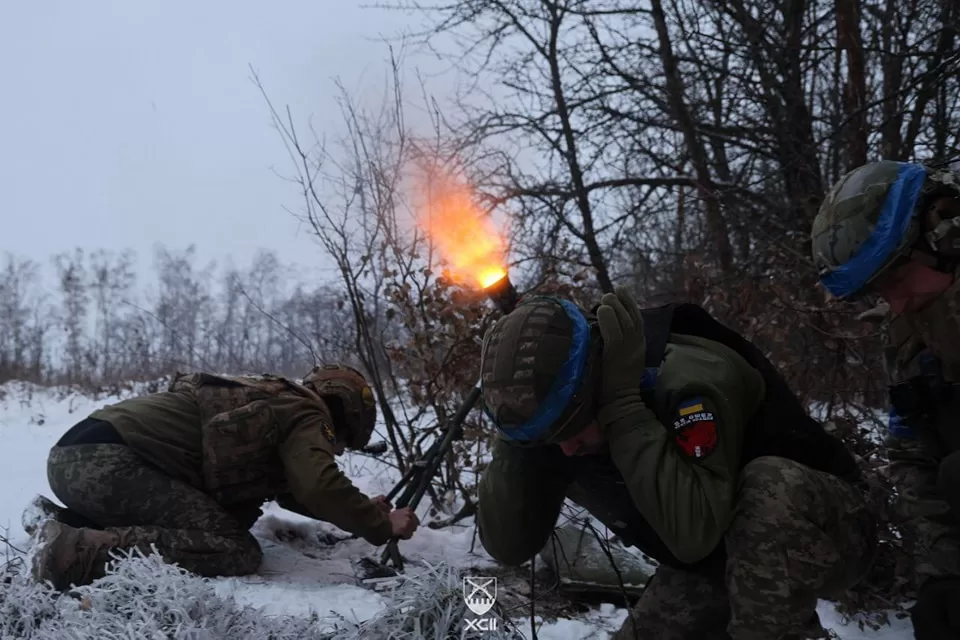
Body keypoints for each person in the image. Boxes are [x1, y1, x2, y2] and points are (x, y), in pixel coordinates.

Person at [475, 287, 877, 640]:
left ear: (596, 384)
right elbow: (509, 545)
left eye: (574, 430)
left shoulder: (685, 380)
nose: (566, 450)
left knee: (766, 490)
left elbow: (693, 533)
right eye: (553, 439)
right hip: (716, 556)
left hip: (827, 529)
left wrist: (624, 408)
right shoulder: (563, 411)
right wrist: (518, 437)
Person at [24, 363, 420, 591]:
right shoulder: (306, 412)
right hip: (110, 462)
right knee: (234, 548)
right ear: (347, 411)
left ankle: (59, 520)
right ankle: (75, 549)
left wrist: (359, 509)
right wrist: (381, 525)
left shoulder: (276, 399)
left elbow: (297, 491)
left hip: (72, 457)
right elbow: (317, 484)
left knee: (192, 519)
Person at [812, 160, 960, 639]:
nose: (894, 304)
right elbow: (913, 452)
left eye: (895, 281)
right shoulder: (910, 337)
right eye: (879, 290)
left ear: (941, 232)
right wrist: (943, 576)